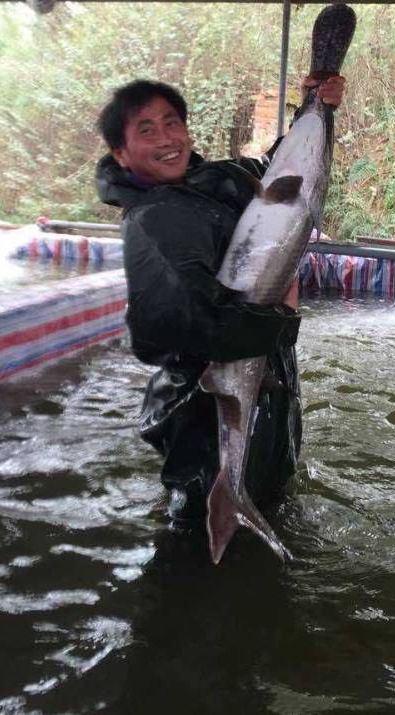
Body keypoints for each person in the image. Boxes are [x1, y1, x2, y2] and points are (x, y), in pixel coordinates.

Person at [95, 75, 345, 524]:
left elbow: (279, 174)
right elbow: (183, 329)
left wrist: (315, 111)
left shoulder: (212, 180)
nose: (166, 139)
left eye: (171, 123)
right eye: (146, 131)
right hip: (205, 410)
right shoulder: (153, 221)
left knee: (268, 500)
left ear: (187, 130)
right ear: (121, 153)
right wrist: (283, 316)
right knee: (199, 531)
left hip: (261, 384)